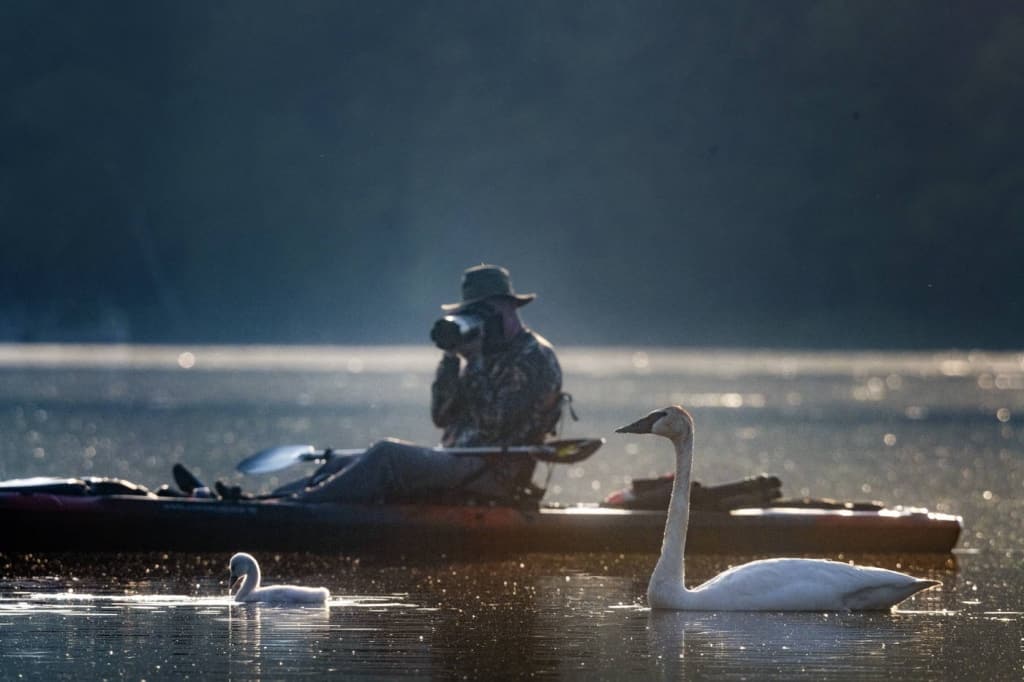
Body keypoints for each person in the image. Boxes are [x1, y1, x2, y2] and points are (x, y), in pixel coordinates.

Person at [294, 264, 563, 504]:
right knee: (342, 463)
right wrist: (451, 357)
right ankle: (274, 502)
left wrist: (476, 360)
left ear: (508, 307)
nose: (479, 318)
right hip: (458, 462)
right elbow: (442, 416)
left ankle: (300, 508)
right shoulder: (483, 352)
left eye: (484, 310)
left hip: (493, 473)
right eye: (472, 311)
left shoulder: (533, 357)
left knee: (387, 454)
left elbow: (493, 426)